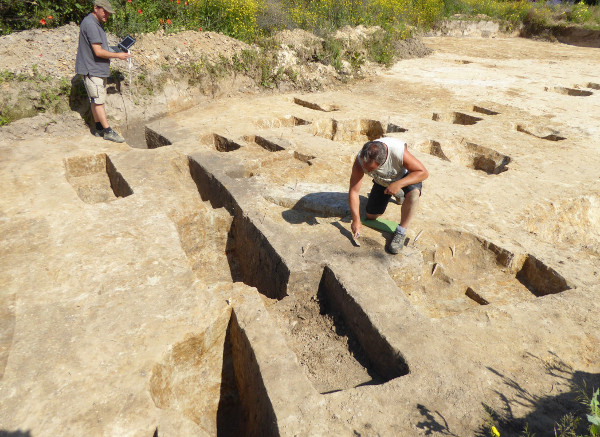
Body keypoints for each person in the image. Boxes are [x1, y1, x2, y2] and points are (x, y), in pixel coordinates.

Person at [349, 137, 429, 254]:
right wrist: (356, 220)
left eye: (371, 169)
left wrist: (398, 184)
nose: (367, 171)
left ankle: (401, 231)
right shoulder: (361, 160)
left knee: (413, 195)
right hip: (382, 181)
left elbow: (423, 173)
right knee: (371, 216)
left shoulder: (397, 151)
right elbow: (354, 191)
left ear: (383, 161)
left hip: (404, 177)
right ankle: (399, 193)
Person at [75, 0, 130, 143]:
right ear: (95, 8)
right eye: (104, 11)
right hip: (92, 69)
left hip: (96, 69)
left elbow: (100, 47)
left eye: (108, 12)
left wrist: (115, 49)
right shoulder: (91, 24)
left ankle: (99, 127)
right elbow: (98, 52)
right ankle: (108, 131)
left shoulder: (95, 23)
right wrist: (118, 55)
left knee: (95, 100)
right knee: (98, 101)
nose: (107, 15)